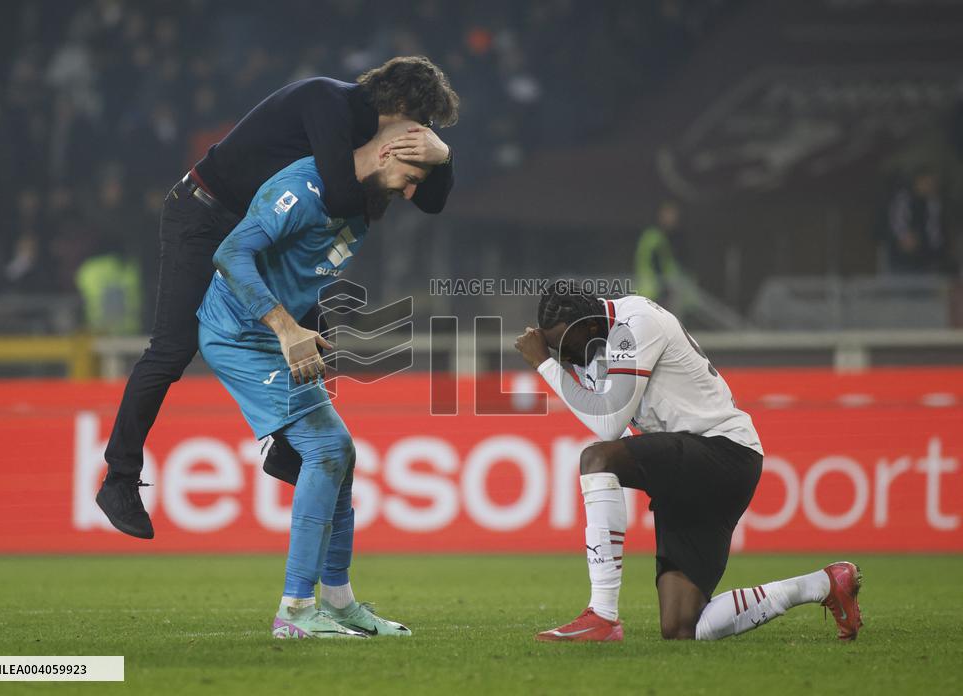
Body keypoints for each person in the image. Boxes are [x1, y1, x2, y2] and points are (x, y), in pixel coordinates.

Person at [96, 56, 459, 539]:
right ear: (397, 106)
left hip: (259, 228)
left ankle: (284, 445)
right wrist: (421, 156)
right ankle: (118, 479)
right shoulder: (325, 101)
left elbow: (429, 201)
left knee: (320, 335)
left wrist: (445, 158)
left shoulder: (377, 139)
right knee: (172, 350)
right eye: (421, 124)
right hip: (203, 215)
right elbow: (341, 198)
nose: (422, 137)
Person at [513, 282, 863, 642]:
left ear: (588, 326)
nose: (565, 359)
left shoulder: (636, 323)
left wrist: (542, 363)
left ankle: (602, 615)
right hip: (691, 470)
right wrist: (556, 359)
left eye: (565, 348)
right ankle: (823, 584)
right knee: (683, 626)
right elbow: (606, 418)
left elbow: (608, 424)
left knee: (596, 459)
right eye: (557, 351)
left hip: (722, 453)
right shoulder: (594, 342)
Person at [198, 119, 430, 639]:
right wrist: (285, 328)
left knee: (339, 453)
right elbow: (230, 253)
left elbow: (427, 185)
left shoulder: (365, 197)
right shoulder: (301, 191)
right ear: (388, 151)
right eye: (411, 174)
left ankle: (340, 602)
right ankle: (296, 611)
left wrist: (438, 151)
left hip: (281, 335)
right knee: (326, 449)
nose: (413, 191)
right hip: (244, 334)